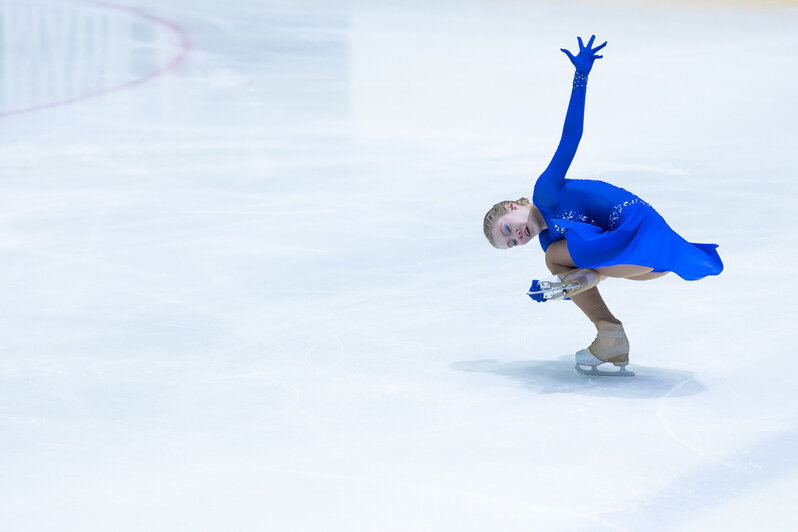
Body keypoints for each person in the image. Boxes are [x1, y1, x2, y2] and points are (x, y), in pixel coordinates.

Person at [482, 35, 723, 376]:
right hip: (646, 262)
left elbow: (571, 137)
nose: (518, 236)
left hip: (638, 231)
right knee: (559, 261)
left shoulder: (545, 194)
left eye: (509, 228)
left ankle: (597, 312)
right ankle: (610, 335)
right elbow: (589, 252)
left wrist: (581, 78)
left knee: (555, 262)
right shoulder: (554, 241)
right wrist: (580, 280)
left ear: (512, 206)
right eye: (512, 242)